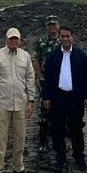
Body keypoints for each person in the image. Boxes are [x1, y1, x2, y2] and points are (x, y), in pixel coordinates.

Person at [0, 28, 36, 173]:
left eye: (16, 39)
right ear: (6, 40)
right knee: (0, 139)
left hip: (20, 103)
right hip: (2, 104)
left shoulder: (25, 56)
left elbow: (30, 78)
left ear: (20, 40)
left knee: (19, 138)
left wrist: (31, 100)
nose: (13, 41)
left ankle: (18, 168)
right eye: (11, 39)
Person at [42, 25, 87, 172]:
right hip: (58, 98)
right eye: (62, 36)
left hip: (75, 98)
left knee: (76, 128)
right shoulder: (52, 55)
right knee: (57, 129)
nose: (65, 39)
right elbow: (48, 78)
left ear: (72, 37)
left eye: (67, 36)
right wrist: (46, 96)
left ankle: (79, 156)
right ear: (59, 37)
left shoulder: (81, 55)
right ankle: (60, 157)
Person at [32, 15, 59, 154]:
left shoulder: (63, 40)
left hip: (60, 82)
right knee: (44, 110)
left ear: (58, 25)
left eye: (54, 24)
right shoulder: (42, 41)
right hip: (46, 81)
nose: (52, 27)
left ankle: (58, 138)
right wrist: (39, 77)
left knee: (60, 111)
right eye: (49, 25)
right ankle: (43, 141)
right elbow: (36, 59)